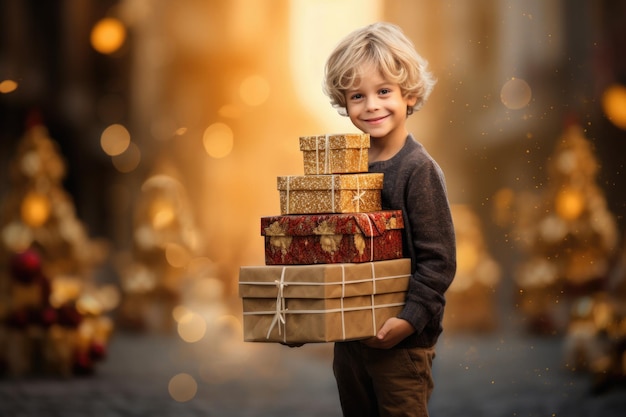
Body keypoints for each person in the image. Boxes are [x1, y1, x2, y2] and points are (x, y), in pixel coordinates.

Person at [323, 22, 457, 417]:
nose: (372, 106)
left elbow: (439, 262)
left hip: (402, 346)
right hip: (350, 342)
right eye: (357, 96)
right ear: (343, 103)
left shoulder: (419, 170)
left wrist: (408, 321)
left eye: (384, 91)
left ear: (409, 94)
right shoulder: (347, 166)